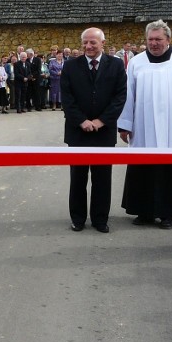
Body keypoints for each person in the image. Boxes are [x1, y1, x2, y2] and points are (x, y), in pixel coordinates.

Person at [118, 19, 172, 230]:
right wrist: (125, 124)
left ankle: (168, 213)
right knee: (143, 165)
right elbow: (128, 94)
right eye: (150, 39)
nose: (154, 43)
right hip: (143, 125)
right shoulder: (137, 62)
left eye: (158, 39)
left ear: (168, 39)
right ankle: (144, 211)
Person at [61, 27, 127, 233]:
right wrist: (82, 121)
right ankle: (78, 219)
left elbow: (120, 97)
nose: (88, 46)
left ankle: (100, 219)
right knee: (78, 179)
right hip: (77, 131)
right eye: (85, 43)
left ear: (103, 44)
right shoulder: (71, 66)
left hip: (104, 132)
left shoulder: (116, 65)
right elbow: (67, 98)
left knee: (102, 179)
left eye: (93, 43)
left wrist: (101, 121)